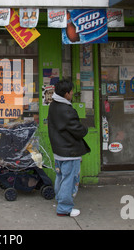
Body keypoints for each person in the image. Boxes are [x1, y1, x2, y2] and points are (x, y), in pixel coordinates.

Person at [48, 79, 90, 217]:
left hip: (59, 150)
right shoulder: (66, 109)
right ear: (66, 94)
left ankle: (60, 201)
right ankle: (64, 208)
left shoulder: (53, 105)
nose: (72, 94)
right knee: (69, 179)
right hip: (69, 151)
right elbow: (79, 130)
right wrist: (85, 128)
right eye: (71, 92)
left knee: (61, 177)